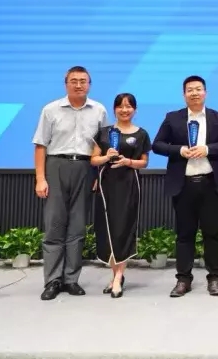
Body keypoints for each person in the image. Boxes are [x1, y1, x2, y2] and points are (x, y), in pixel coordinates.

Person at [152, 75, 218, 298]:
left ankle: (215, 278)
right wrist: (179, 150)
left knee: (213, 234)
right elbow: (157, 145)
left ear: (205, 92)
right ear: (184, 94)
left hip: (211, 184)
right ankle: (183, 279)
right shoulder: (173, 118)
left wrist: (207, 149)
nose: (194, 93)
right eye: (190, 90)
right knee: (184, 234)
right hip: (184, 185)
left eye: (198, 89)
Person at [32, 66, 109, 301]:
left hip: (85, 168)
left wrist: (98, 176)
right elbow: (40, 145)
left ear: (89, 84)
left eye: (83, 81)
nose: (78, 85)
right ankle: (53, 280)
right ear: (66, 83)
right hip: (56, 166)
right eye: (73, 81)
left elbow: (102, 147)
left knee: (77, 226)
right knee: (54, 224)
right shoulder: (51, 109)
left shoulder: (99, 110)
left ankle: (71, 279)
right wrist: (40, 178)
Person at [90, 93, 151, 298]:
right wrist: (105, 157)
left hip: (129, 184)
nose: (125, 110)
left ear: (135, 110)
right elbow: (93, 160)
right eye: (120, 106)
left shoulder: (141, 134)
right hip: (106, 185)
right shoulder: (104, 133)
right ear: (114, 109)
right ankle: (115, 274)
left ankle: (118, 277)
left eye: (129, 106)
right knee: (108, 229)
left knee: (123, 228)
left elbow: (144, 162)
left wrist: (128, 162)